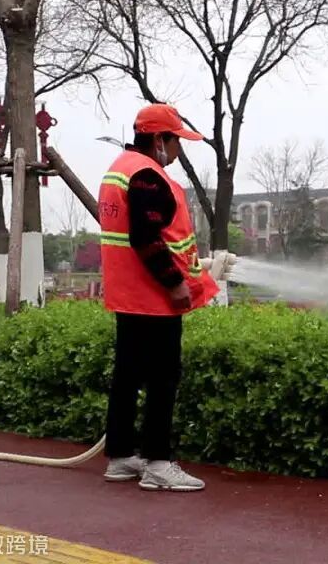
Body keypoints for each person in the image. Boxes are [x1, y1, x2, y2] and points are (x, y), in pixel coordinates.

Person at [97, 103, 234, 492]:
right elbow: (146, 237)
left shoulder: (120, 169)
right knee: (163, 379)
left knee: (127, 376)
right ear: (160, 139)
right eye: (176, 142)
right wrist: (175, 284)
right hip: (154, 298)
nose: (177, 151)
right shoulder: (148, 177)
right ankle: (158, 462)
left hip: (128, 295)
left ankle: (121, 457)